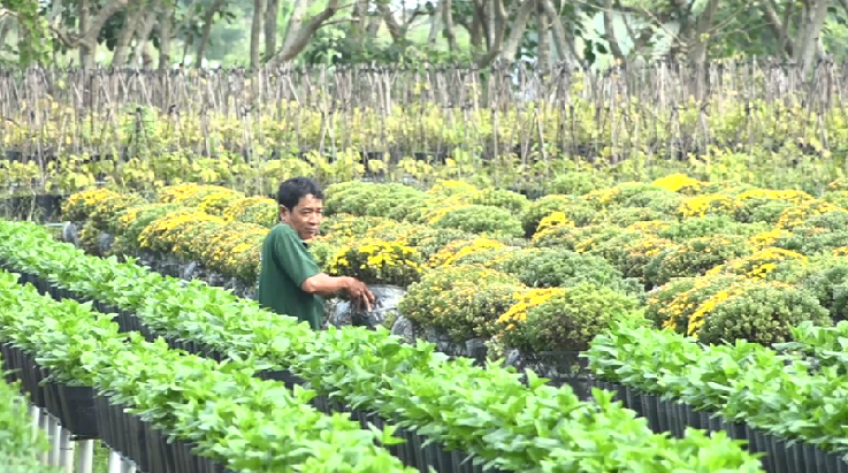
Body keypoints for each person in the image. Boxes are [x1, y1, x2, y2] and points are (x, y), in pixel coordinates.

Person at [257, 177, 375, 330]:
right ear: (284, 212)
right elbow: (311, 283)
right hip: (289, 337)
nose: (314, 220)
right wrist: (347, 282)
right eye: (306, 212)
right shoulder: (283, 233)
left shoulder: (290, 238)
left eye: (319, 212)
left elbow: (317, 278)